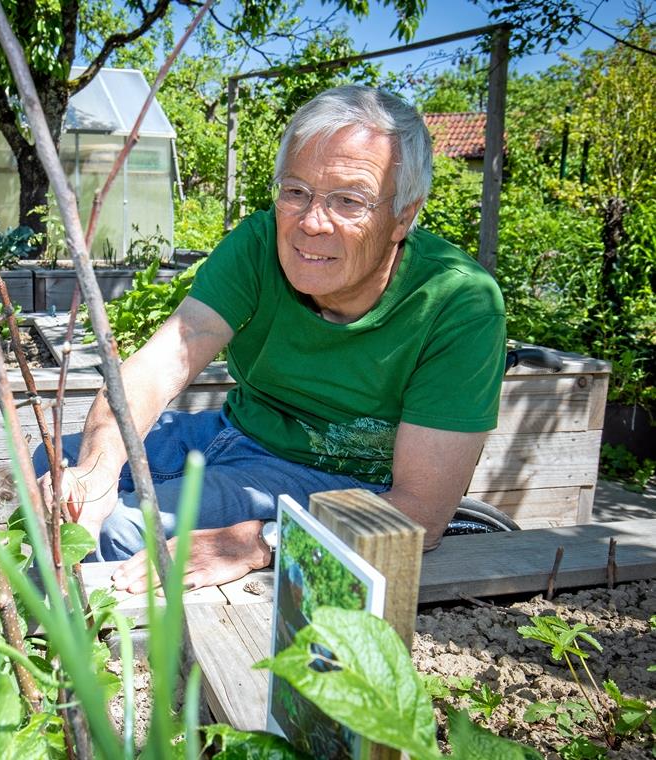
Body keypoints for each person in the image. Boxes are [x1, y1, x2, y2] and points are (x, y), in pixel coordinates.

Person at [34, 85, 506, 593]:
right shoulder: (259, 244)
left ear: (404, 216)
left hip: (341, 480)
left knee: (125, 534)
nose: (311, 223)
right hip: (236, 430)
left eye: (349, 201)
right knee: (55, 467)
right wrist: (99, 472)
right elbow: (161, 362)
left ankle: (93, 654)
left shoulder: (459, 303)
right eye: (296, 192)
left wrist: (261, 542)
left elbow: (423, 511)